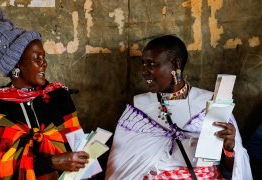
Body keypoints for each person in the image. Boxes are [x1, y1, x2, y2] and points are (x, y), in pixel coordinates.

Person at [106, 35, 252, 179]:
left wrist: (229, 148)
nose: (144, 71)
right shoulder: (138, 109)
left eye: (152, 64)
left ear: (176, 64)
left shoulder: (210, 103)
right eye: (143, 64)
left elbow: (233, 170)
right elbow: (121, 167)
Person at [0, 9, 89, 179]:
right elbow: (3, 168)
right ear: (17, 66)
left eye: (44, 57)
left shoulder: (58, 95)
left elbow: (78, 144)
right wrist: (52, 162)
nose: (44, 63)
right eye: (36, 58)